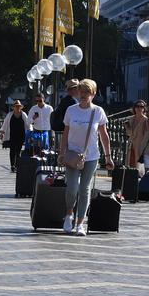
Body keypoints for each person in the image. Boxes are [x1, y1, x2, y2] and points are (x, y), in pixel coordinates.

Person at [58, 78, 113, 236]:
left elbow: (104, 135)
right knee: (72, 188)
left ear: (93, 94)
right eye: (81, 91)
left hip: (91, 155)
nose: (83, 95)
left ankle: (80, 222)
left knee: (85, 189)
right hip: (73, 154)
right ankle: (69, 214)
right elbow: (65, 134)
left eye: (87, 92)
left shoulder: (98, 112)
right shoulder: (71, 110)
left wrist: (108, 157)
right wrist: (62, 152)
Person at [0, 100, 30, 172]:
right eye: (16, 106)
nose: (17, 107)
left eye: (18, 106)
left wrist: (30, 132)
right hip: (11, 135)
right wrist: (2, 132)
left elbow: (28, 124)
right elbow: (5, 123)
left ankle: (17, 165)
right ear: (13, 107)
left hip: (21, 135)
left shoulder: (23, 114)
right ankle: (12, 165)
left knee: (18, 151)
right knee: (12, 150)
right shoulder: (10, 114)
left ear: (20, 107)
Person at [125, 100, 147, 171]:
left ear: (144, 109)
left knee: (139, 167)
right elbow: (128, 134)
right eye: (137, 106)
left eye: (141, 106)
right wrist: (127, 127)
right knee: (130, 165)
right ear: (134, 108)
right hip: (131, 145)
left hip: (141, 146)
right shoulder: (131, 119)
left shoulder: (146, 120)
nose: (139, 108)